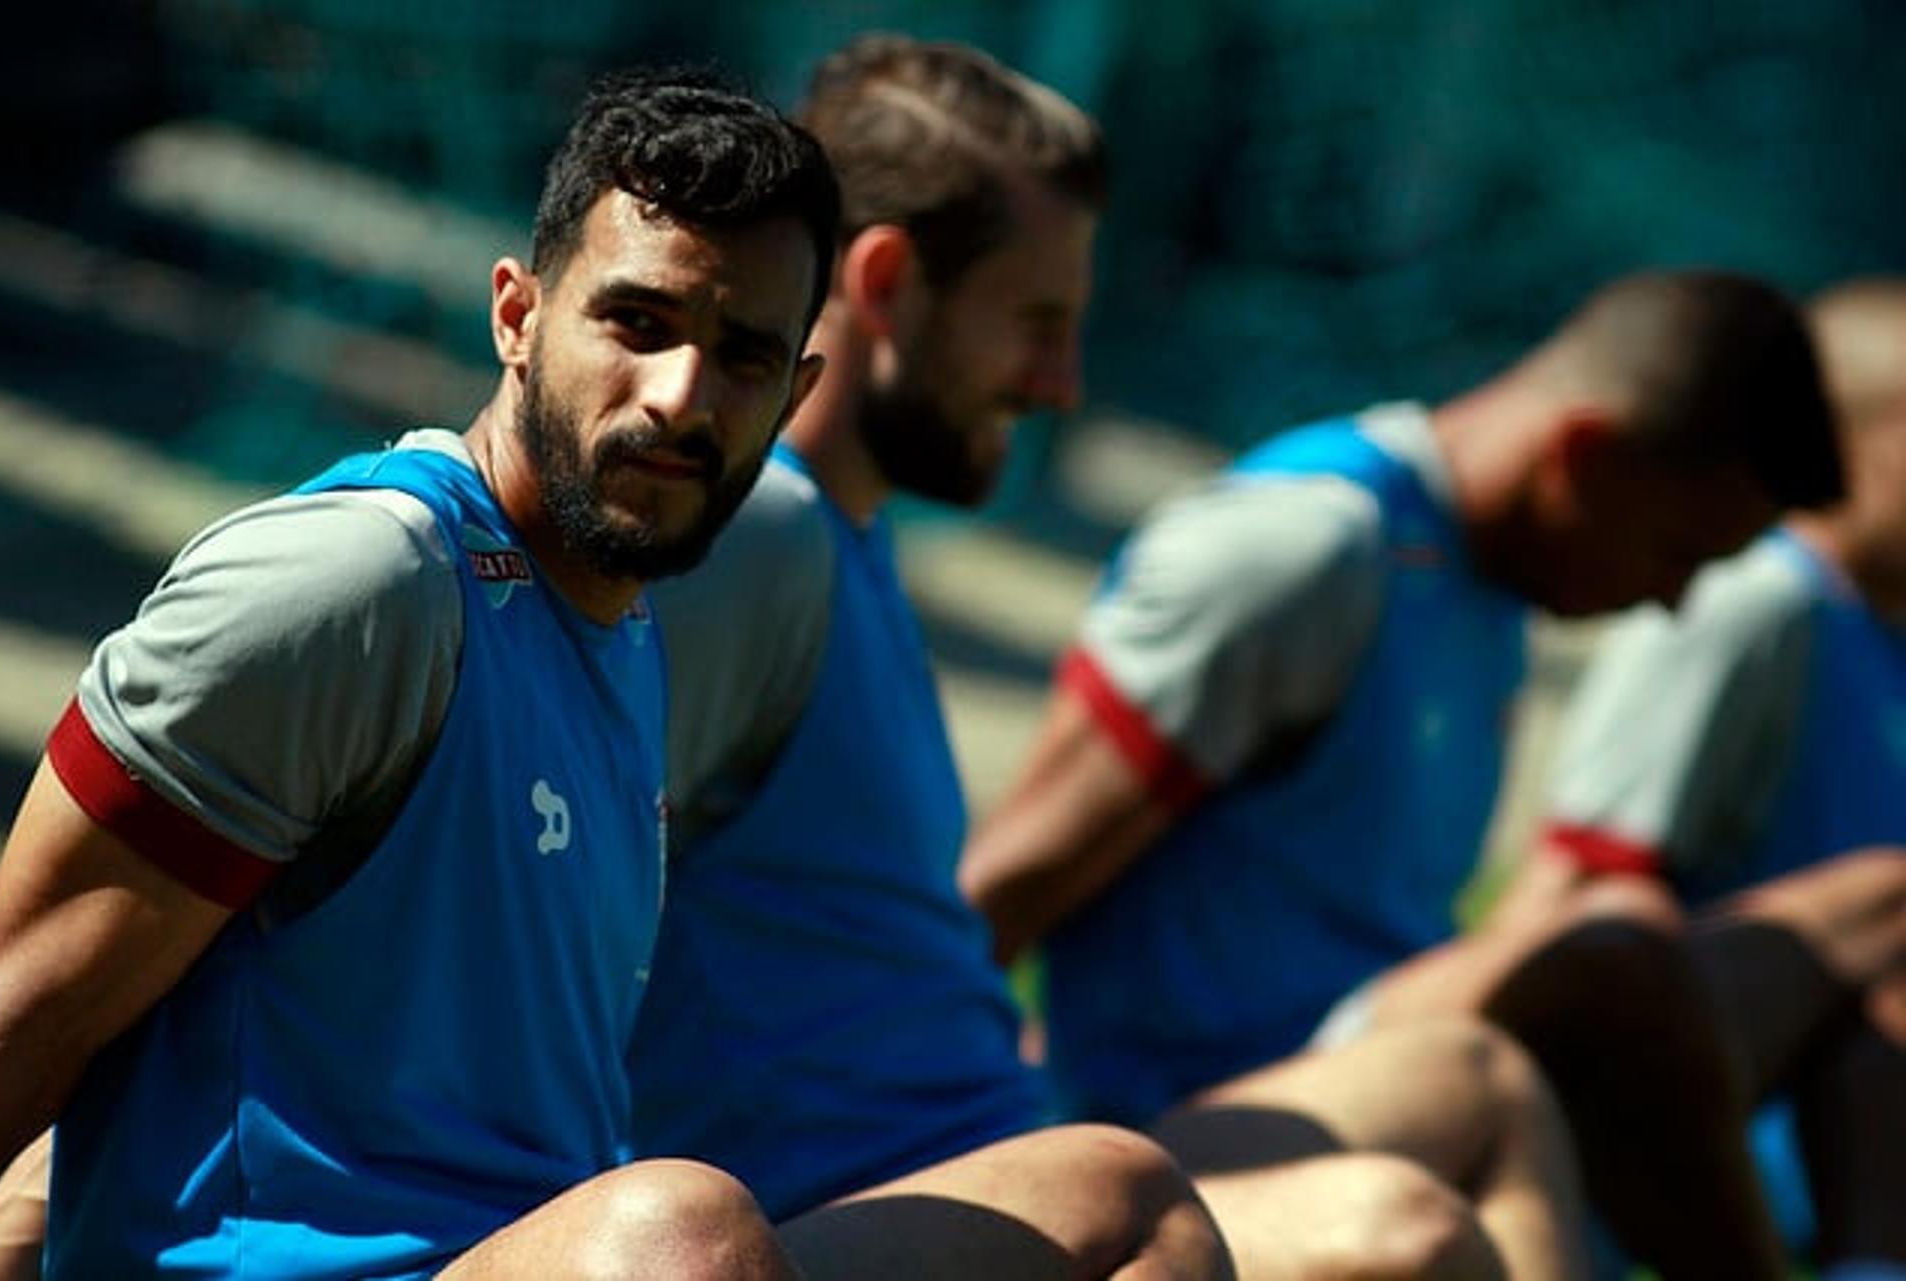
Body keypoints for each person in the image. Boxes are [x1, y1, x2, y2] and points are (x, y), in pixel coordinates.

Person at [630, 33, 1589, 1280]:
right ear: (886, 283)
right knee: (1393, 1233)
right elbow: (549, 905)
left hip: (1005, 1142)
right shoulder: (759, 535)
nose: (1064, 384)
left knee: (1473, 1076)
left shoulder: (849, 545)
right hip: (887, 1199)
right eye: (1034, 324)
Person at [0, 67, 847, 1278]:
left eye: (745, 357)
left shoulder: (628, 627)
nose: (679, 398)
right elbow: (24, 1009)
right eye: (638, 324)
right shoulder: (361, 582)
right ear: (518, 316)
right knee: (679, 1237)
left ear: (797, 395)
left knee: (1103, 1192)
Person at [960, 269, 1846, 1279]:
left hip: (1373, 1076)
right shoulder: (1309, 548)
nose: (1675, 604)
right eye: (1680, 553)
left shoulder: (1491, 582)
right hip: (1194, 1121)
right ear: (1585, 457)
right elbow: (1008, 882)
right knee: (1619, 951)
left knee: (1872, 914)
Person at [1351, 279, 1906, 1281]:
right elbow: (1581, 885)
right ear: (1873, 437)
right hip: (1660, 1125)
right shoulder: (1752, 603)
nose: (1669, 588)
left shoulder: (1873, 633)